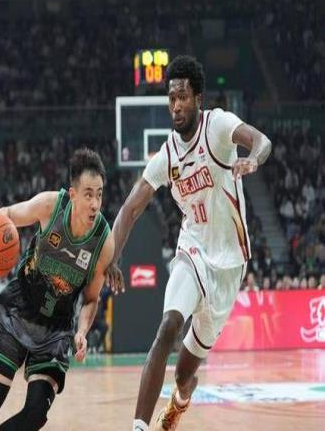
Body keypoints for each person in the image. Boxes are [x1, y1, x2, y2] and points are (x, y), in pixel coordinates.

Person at [106, 55, 272, 431]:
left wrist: (253, 160)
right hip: (192, 250)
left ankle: (180, 401)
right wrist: (114, 255)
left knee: (184, 375)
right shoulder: (166, 154)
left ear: (198, 98)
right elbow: (130, 209)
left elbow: (261, 141)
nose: (176, 106)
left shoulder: (218, 126)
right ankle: (139, 427)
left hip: (229, 265)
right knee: (168, 326)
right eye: (171, 99)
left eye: (182, 97)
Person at [0, 148, 114, 430]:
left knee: (36, 413)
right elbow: (7, 214)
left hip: (56, 329)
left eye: (99, 195)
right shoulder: (51, 206)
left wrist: (82, 332)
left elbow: (91, 299)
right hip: (20, 309)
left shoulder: (103, 241)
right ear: (73, 194)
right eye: (88, 194)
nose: (95, 204)